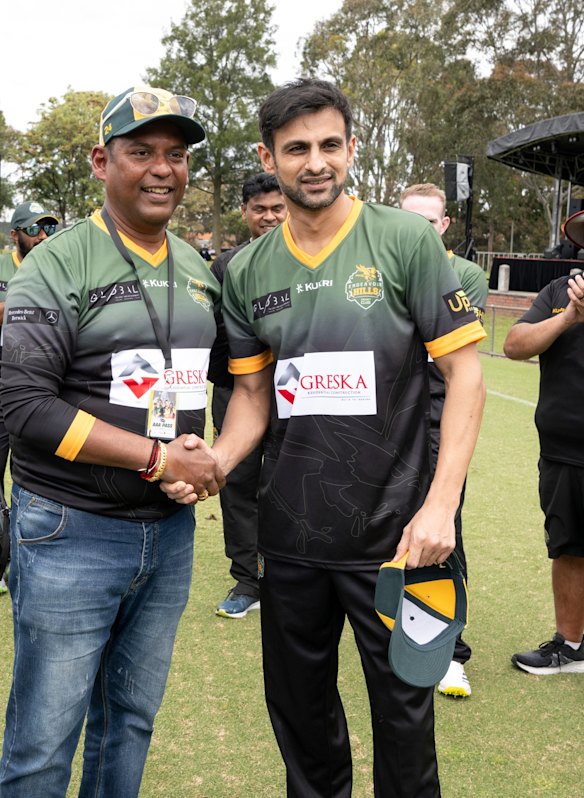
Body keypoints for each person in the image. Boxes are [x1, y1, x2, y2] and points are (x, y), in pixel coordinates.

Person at [167, 78, 486, 797]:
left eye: (329, 145)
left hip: (398, 540)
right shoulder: (247, 270)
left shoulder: (403, 240)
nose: (316, 162)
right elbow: (251, 395)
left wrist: (440, 509)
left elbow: (465, 377)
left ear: (350, 147)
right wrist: (217, 460)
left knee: (405, 727)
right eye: (297, 149)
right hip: (292, 537)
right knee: (304, 725)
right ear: (269, 157)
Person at [0, 85, 226, 798]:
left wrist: (194, 467)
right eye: (141, 152)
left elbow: (205, 386)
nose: (163, 169)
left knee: (128, 722)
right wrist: (159, 458)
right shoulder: (57, 263)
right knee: (43, 741)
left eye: (176, 154)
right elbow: (22, 404)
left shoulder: (196, 267)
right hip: (70, 531)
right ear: (103, 161)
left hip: (168, 532)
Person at [400, 183, 488, 697]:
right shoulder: (387, 262)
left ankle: (452, 652)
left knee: (442, 522)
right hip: (390, 411)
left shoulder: (466, 274)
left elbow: (439, 346)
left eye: (428, 222)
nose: (419, 231)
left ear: (444, 226)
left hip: (440, 409)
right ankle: (400, 630)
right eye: (409, 221)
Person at [504, 208, 584, 676]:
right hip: (562, 451)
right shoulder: (559, 292)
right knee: (569, 547)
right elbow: (514, 345)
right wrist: (569, 318)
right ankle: (571, 646)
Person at [212, 173, 287, 618]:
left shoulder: (308, 258)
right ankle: (247, 579)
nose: (270, 216)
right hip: (236, 388)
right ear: (244, 212)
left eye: (277, 208)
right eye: (260, 209)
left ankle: (290, 573)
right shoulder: (226, 265)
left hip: (296, 391)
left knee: (292, 479)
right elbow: (217, 336)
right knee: (237, 482)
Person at [0, 201, 60, 596]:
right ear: (15, 234)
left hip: (43, 384)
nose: (43, 237)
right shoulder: (5, 265)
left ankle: (23, 560)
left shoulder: (58, 265)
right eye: (34, 230)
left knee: (41, 476)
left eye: (48, 229)